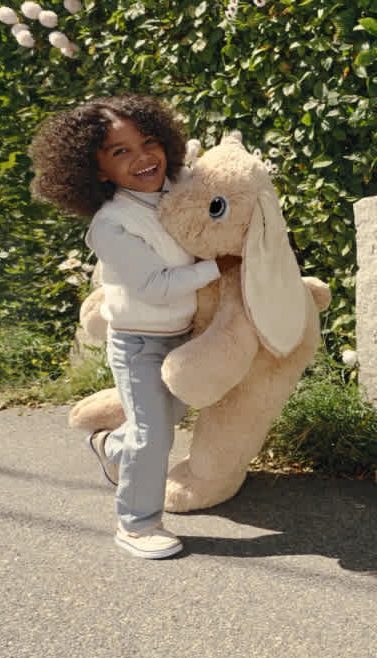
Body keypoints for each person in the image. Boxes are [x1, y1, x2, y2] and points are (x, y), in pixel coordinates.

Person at [29, 94, 237, 558]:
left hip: (185, 335)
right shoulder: (111, 224)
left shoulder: (176, 189)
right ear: (96, 170)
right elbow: (154, 285)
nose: (143, 157)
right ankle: (137, 524)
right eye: (120, 151)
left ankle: (111, 447)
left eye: (148, 141)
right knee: (155, 435)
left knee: (165, 418)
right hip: (138, 343)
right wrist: (216, 267)